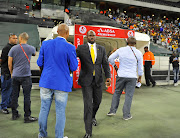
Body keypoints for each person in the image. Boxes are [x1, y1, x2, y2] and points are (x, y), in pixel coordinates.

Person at [37, 24, 78, 138]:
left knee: (44, 109)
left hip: (46, 81)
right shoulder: (70, 47)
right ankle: (59, 136)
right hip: (62, 83)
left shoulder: (45, 44)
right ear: (67, 33)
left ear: (57, 32)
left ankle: (42, 135)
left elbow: (40, 63)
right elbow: (74, 67)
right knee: (60, 112)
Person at [76, 30, 111, 138]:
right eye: (90, 35)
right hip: (86, 81)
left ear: (95, 37)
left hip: (98, 80)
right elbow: (72, 58)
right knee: (88, 105)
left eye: (93, 35)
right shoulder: (81, 48)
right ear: (87, 37)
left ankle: (92, 117)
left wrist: (108, 76)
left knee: (97, 102)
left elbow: (105, 63)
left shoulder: (102, 49)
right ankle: (88, 131)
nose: (92, 37)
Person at [107, 37, 143, 120]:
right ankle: (126, 115)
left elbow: (110, 58)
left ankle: (112, 111)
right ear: (135, 43)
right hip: (132, 76)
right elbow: (140, 68)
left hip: (121, 75)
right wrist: (140, 78)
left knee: (117, 93)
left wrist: (115, 66)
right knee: (128, 96)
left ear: (127, 42)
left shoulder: (121, 50)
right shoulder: (138, 53)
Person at [8, 32, 38, 123]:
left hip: (15, 75)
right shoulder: (31, 48)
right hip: (26, 76)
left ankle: (14, 114)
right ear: (27, 39)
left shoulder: (13, 49)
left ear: (20, 38)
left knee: (14, 95)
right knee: (27, 97)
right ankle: (27, 116)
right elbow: (34, 54)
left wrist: (12, 73)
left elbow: (10, 63)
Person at [0, 33, 18, 114]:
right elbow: (2, 60)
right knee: (6, 90)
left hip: (12, 72)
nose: (16, 40)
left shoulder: (14, 47)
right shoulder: (6, 48)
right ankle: (3, 107)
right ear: (10, 39)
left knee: (11, 89)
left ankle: (9, 103)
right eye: (14, 38)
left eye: (16, 38)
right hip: (6, 72)